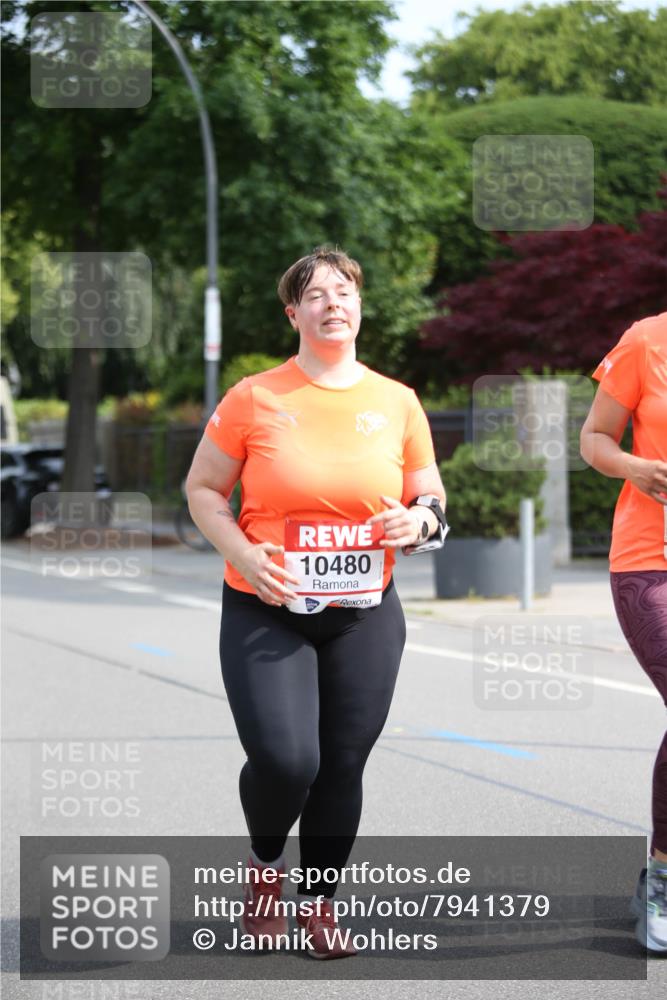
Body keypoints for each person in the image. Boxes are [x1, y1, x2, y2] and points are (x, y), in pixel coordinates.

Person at [186, 246, 448, 960]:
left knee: (341, 764)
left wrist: (419, 521)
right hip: (265, 603)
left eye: (344, 290)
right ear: (292, 313)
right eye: (316, 293)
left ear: (359, 306)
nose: (333, 301)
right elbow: (203, 491)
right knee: (286, 759)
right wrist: (240, 552)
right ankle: (265, 871)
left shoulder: (396, 401)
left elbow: (428, 493)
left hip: (365, 611)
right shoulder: (254, 397)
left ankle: (319, 905)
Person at [580, 310, 667, 953]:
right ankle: (663, 878)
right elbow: (595, 439)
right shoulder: (648, 340)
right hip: (651, 557)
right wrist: (633, 467)